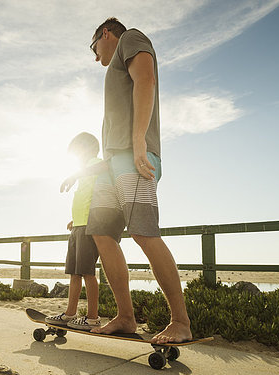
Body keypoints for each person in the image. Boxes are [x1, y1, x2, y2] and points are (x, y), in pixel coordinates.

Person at [61, 18, 192, 343]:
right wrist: (80, 172)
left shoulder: (131, 39)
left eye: (94, 47)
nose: (95, 57)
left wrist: (138, 143)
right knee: (101, 233)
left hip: (136, 158)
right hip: (112, 164)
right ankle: (125, 316)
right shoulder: (114, 66)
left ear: (106, 34)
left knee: (143, 233)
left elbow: (146, 80)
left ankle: (181, 321)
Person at [45, 133, 101, 331]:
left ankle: (92, 317)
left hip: (88, 227)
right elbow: (84, 197)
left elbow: (98, 187)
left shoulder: (95, 163)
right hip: (78, 225)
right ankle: (70, 313)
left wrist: (75, 174)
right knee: (74, 274)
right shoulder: (85, 171)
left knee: (87, 273)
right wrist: (74, 220)